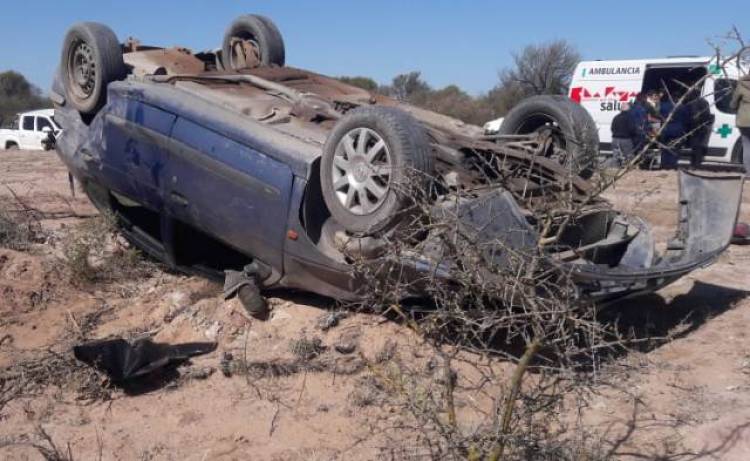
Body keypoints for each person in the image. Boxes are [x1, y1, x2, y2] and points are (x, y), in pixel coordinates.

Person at [658, 98, 689, 169]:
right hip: (677, 130)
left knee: (665, 148)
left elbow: (660, 116)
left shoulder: (663, 106)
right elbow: (687, 120)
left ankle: (664, 165)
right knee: (674, 148)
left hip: (665, 130)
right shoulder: (682, 107)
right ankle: (672, 165)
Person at [687, 91, 714, 169]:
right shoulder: (704, 102)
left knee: (695, 146)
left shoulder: (693, 103)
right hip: (702, 127)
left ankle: (695, 164)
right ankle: (696, 163)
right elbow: (707, 115)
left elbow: (693, 116)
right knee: (698, 146)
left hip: (696, 127)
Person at [730, 73, 750, 173]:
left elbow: (733, 103)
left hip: (744, 121)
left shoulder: (741, 84)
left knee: (747, 147)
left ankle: (749, 172)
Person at [610, 102, 638, 166]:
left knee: (616, 157)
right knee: (628, 158)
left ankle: (614, 170)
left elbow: (612, 128)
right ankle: (627, 172)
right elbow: (632, 129)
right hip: (626, 140)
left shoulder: (616, 117)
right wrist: (634, 136)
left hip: (615, 139)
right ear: (629, 109)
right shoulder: (630, 117)